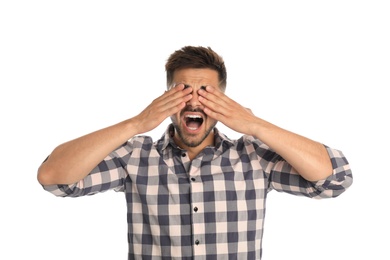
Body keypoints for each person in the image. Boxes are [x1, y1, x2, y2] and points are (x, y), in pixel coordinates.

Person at [37, 45, 353, 259]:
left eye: (206, 93)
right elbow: (54, 179)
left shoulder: (253, 158)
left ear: (224, 102)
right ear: (166, 98)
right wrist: (136, 123)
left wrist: (255, 125)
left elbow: (334, 180)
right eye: (183, 91)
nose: (193, 102)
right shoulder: (135, 156)